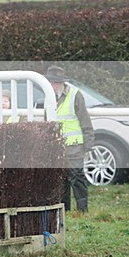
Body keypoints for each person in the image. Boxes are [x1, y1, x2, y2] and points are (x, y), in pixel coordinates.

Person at [45, 66, 94, 212]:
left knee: (77, 177)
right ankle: (65, 209)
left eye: (55, 83)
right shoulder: (48, 97)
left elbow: (85, 120)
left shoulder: (75, 95)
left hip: (74, 145)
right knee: (62, 179)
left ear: (62, 83)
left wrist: (89, 143)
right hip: (57, 146)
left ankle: (82, 209)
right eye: (51, 82)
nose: (53, 86)